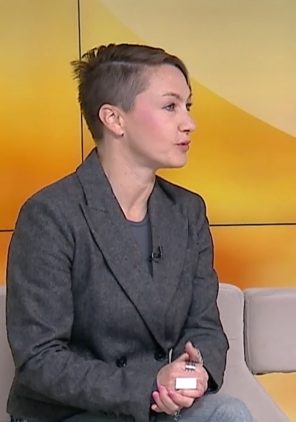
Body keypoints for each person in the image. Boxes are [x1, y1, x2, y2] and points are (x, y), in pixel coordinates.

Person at [5, 43, 255, 422]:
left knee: (227, 414)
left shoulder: (187, 212)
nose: (189, 123)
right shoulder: (50, 214)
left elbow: (203, 326)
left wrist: (191, 377)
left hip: (159, 407)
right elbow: (40, 358)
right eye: (170, 107)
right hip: (75, 412)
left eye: (188, 106)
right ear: (114, 119)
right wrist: (148, 385)